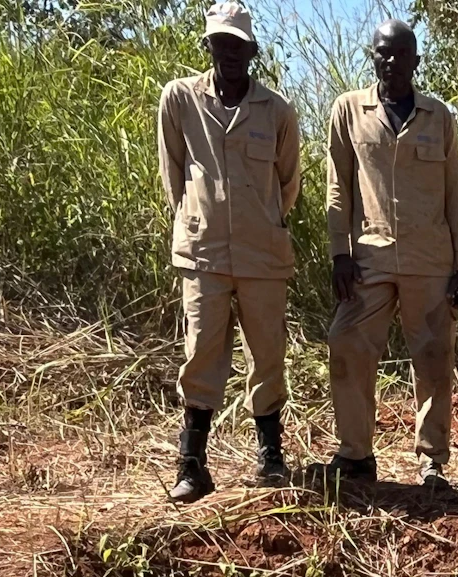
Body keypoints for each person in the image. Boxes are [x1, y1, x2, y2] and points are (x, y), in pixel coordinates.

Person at [156, 1, 300, 503]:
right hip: (203, 254)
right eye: (221, 43)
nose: (230, 53)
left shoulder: (277, 110)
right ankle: (192, 465)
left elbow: (287, 183)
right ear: (208, 46)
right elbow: (174, 173)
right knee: (201, 353)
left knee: (268, 354)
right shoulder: (179, 99)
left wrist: (260, 222)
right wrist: (199, 218)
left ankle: (271, 457)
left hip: (263, 255)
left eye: (239, 45)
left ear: (252, 51)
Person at [325, 19, 458, 488]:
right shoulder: (349, 110)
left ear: (415, 59)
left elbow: (454, 197)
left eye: (400, 53)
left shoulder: (439, 117)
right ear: (373, 58)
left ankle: (432, 461)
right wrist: (339, 254)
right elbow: (338, 188)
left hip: (430, 260)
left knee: (433, 356)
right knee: (346, 343)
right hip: (369, 255)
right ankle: (356, 455)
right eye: (382, 54)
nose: (391, 62)